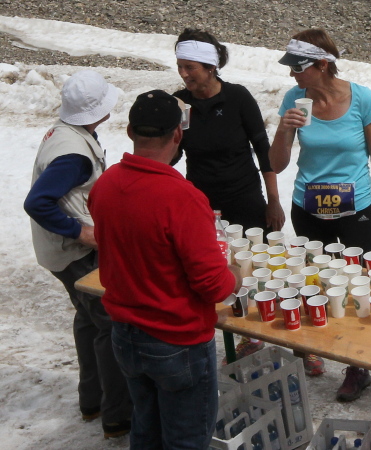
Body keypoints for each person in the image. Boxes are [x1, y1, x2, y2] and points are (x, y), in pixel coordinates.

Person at [88, 90, 242, 449]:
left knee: (146, 429)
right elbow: (213, 285)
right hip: (176, 339)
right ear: (177, 134)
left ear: (130, 131)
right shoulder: (182, 197)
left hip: (125, 333)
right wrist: (236, 274)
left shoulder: (106, 184)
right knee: (185, 439)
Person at [270, 29, 371, 401]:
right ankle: (325, 351)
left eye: (298, 67)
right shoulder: (294, 100)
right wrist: (283, 130)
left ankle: (358, 367)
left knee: (367, 289)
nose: (291, 74)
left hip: (355, 208)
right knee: (322, 286)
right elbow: (276, 164)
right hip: (308, 208)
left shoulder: (362, 99)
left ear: (322, 65)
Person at [23, 70, 132, 438]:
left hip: (58, 251)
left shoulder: (67, 133)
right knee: (110, 324)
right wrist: (80, 230)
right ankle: (117, 415)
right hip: (74, 253)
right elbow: (37, 202)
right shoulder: (74, 155)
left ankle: (93, 399)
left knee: (88, 319)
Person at [173, 29, 285, 360]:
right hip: (202, 203)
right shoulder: (181, 103)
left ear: (210, 67)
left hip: (245, 197)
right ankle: (236, 332)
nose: (184, 74)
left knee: (260, 269)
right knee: (211, 270)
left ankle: (290, 334)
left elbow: (263, 149)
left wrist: (273, 201)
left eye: (190, 67)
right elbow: (172, 153)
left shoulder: (237, 98)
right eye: (180, 66)